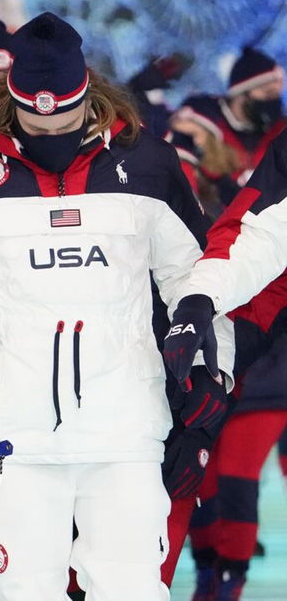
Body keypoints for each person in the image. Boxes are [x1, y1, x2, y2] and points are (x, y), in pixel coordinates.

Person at [0, 12, 233, 601]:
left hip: (125, 431)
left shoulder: (147, 163)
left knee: (131, 590)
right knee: (22, 593)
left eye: (65, 112)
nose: (50, 126)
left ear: (86, 93)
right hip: (10, 436)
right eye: (33, 112)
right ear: (12, 96)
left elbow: (199, 283)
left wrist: (208, 385)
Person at [163, 129, 287, 599]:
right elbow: (258, 278)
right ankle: (214, 577)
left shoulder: (230, 199)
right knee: (206, 481)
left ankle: (228, 580)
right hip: (233, 365)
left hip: (262, 376)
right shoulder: (222, 222)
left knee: (234, 478)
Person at [171, 46, 286, 206]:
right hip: (209, 217)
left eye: (277, 94)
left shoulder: (279, 130)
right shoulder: (206, 114)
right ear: (241, 92)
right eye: (268, 93)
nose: (274, 101)